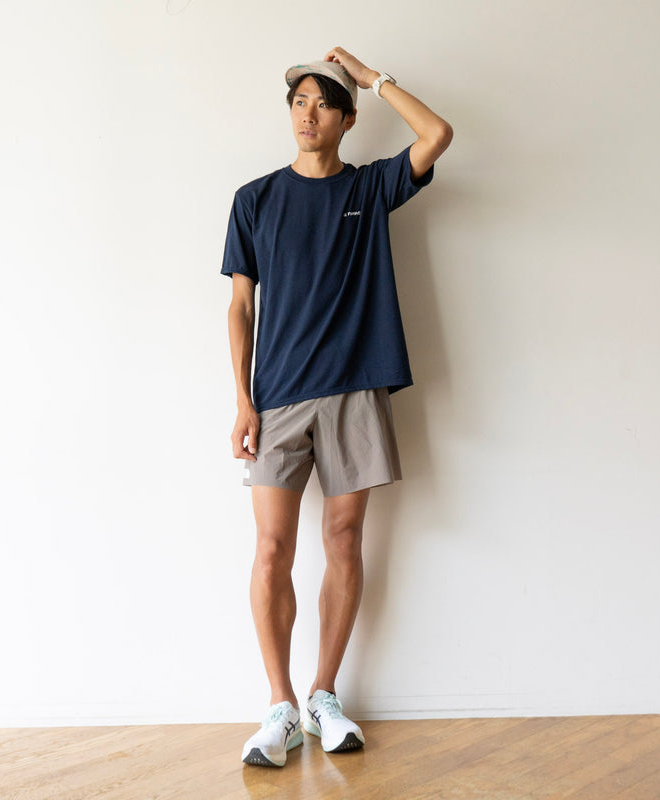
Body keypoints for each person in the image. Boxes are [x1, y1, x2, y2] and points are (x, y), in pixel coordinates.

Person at [221, 47, 452, 768]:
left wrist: (371, 76)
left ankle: (324, 695)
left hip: (355, 389)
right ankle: (280, 706)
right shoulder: (255, 199)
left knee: (345, 541)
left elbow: (437, 134)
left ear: (348, 119)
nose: (308, 114)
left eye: (324, 103)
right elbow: (239, 307)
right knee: (271, 550)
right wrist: (243, 400)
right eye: (299, 102)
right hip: (278, 398)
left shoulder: (370, 186)